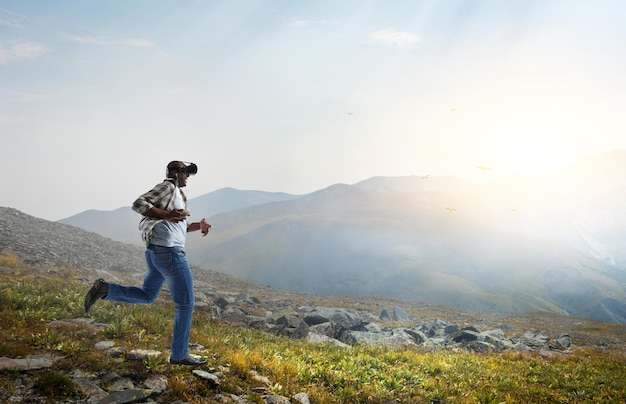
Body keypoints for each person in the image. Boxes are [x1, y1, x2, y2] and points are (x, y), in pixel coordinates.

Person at [84, 160, 212, 366]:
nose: (188, 176)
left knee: (148, 296)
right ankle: (179, 355)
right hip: (170, 254)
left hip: (157, 253)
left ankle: (105, 290)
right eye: (185, 172)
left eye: (189, 173)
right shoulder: (168, 187)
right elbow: (139, 204)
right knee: (186, 304)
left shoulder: (179, 194)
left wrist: (199, 226)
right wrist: (167, 214)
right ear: (174, 173)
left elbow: (178, 225)